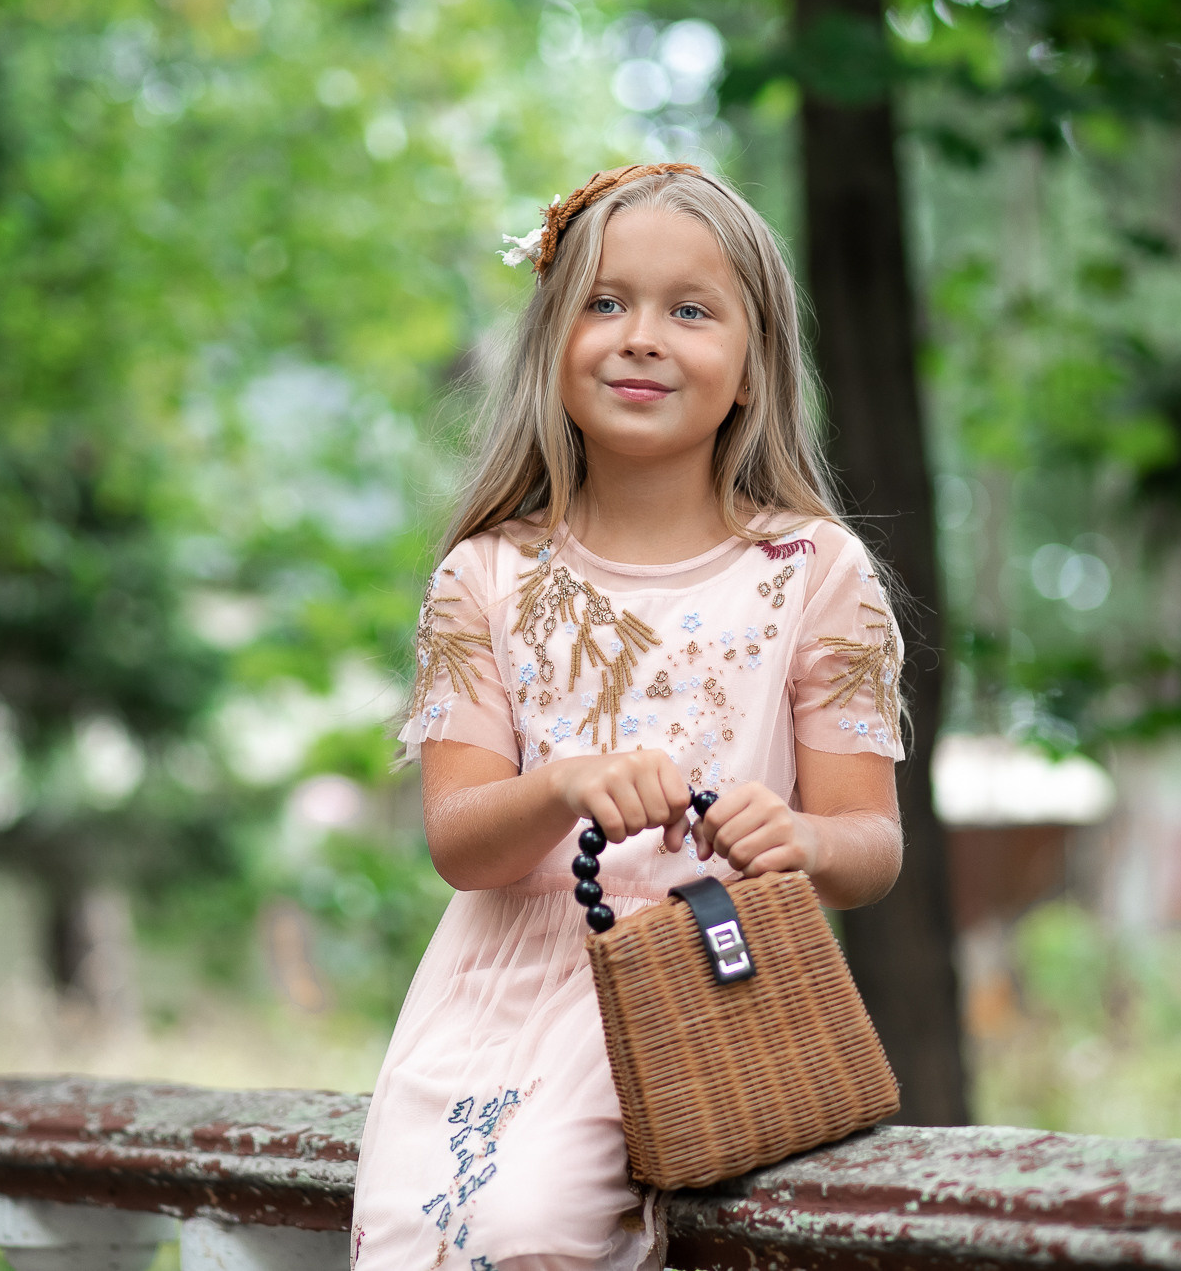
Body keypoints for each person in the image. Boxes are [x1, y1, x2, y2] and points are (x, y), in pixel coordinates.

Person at [349, 163, 905, 1271]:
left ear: (751, 368)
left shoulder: (813, 572)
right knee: (421, 1232)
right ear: (552, 344)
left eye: (690, 311)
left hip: (701, 982)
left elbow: (871, 846)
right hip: (489, 999)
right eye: (605, 302)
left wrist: (799, 838)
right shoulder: (484, 577)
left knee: (528, 1229)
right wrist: (564, 783)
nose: (641, 338)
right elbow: (459, 843)